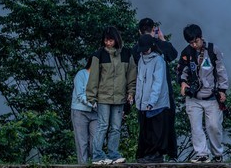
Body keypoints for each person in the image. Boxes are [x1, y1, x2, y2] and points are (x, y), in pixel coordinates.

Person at [178, 24, 229, 163]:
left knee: (214, 126)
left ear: (201, 37)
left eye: (196, 41)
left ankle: (217, 154)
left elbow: (221, 71)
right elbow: (182, 70)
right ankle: (202, 154)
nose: (194, 44)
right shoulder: (186, 52)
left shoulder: (213, 50)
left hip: (212, 96)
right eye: (191, 42)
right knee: (196, 127)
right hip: (193, 98)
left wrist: (222, 90)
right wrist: (183, 83)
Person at [86, 26, 137, 165]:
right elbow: (93, 77)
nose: (108, 43)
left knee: (116, 127)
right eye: (106, 41)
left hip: (120, 97)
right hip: (103, 97)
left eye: (111, 40)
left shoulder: (127, 54)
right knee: (103, 126)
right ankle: (97, 156)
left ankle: (113, 154)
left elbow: (131, 75)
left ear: (116, 39)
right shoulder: (99, 54)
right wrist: (91, 97)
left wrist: (131, 92)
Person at [134, 18, 178, 161]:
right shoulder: (153, 46)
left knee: (154, 126)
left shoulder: (142, 48)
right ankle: (167, 154)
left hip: (159, 93)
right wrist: (162, 39)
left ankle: (159, 154)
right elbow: (173, 55)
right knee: (162, 126)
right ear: (154, 29)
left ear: (139, 31)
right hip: (153, 93)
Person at [71, 57, 98, 165]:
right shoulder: (81, 74)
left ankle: (95, 163)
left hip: (95, 112)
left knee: (96, 141)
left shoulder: (101, 77)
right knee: (82, 143)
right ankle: (83, 165)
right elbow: (80, 94)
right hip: (80, 111)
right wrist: (92, 103)